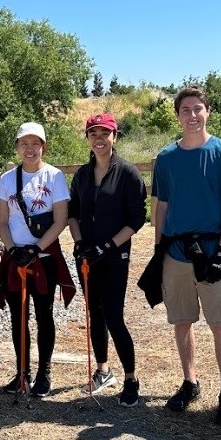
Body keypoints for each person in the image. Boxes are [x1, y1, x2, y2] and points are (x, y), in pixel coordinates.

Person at [151, 86, 221, 425]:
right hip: (175, 253)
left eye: (198, 109)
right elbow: (161, 205)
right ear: (177, 115)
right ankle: (190, 381)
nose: (192, 115)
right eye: (185, 110)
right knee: (181, 321)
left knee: (220, 323)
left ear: (207, 111)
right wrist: (157, 248)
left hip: (211, 253)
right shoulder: (165, 159)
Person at [68, 112, 147, 407]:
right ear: (88, 139)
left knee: (114, 316)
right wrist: (79, 244)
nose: (99, 140)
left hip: (114, 255)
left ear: (115, 137)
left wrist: (106, 246)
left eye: (105, 134)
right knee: (94, 313)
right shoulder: (82, 174)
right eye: (93, 134)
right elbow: (73, 212)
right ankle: (103, 370)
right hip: (86, 255)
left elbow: (136, 219)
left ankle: (131, 378)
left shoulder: (127, 173)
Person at [0, 122, 75, 398]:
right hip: (16, 258)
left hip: (44, 257)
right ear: (17, 147)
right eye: (24, 144)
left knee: (44, 315)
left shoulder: (54, 177)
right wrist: (13, 249)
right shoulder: (7, 180)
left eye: (35, 143)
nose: (30, 149)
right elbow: (2, 221)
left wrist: (36, 248)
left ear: (44, 146)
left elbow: (61, 218)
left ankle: (44, 372)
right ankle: (22, 372)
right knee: (18, 318)